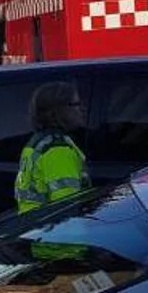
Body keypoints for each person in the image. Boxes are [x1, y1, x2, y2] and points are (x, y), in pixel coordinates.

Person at [15, 81, 91, 214]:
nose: (82, 109)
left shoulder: (39, 142)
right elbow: (67, 207)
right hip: (52, 231)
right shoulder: (58, 150)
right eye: (76, 104)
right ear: (60, 110)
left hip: (34, 225)